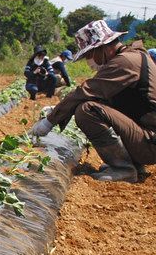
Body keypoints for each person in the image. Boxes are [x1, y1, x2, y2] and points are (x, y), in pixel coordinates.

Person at [31, 20, 156, 183]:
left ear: (103, 47)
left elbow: (85, 91)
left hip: (150, 143)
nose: (89, 61)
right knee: (99, 105)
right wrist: (59, 110)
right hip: (147, 137)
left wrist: (49, 121)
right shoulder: (133, 56)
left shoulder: (125, 62)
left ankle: (123, 168)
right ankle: (133, 164)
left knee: (87, 110)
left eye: (89, 55)